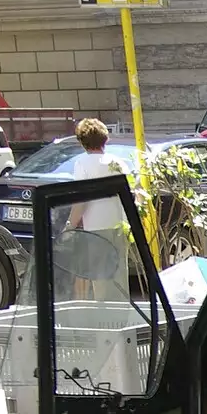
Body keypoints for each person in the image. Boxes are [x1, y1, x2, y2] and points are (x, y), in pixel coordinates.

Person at [66, 117, 130, 302]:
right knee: (119, 276)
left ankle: (104, 317)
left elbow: (82, 199)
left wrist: (70, 225)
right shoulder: (118, 163)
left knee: (100, 278)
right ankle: (122, 317)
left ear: (82, 142)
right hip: (119, 225)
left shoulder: (82, 164)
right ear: (105, 139)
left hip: (95, 229)